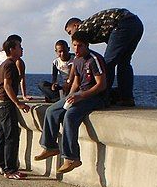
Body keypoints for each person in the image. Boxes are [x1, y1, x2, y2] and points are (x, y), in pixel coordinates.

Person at [34, 31, 107, 177]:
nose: (76, 49)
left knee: (70, 116)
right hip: (80, 94)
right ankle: (50, 146)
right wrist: (69, 97)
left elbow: (101, 85)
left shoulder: (94, 59)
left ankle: (71, 157)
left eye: (80, 46)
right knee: (51, 111)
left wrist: (81, 97)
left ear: (87, 45)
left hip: (95, 97)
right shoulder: (77, 60)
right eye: (74, 45)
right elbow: (76, 82)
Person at [65, 8, 143, 106]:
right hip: (136, 23)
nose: (71, 36)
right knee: (124, 62)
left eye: (70, 32)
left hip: (122, 23)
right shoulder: (94, 26)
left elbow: (82, 55)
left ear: (76, 25)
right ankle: (127, 98)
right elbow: (111, 40)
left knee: (108, 63)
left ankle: (103, 98)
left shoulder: (83, 28)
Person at [0, 38, 31, 179]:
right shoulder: (9, 65)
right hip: (5, 103)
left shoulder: (4, 64)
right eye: (19, 46)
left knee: (2, 135)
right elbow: (7, 86)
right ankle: (11, 169)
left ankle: (3, 165)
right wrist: (18, 103)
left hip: (0, 103)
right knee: (11, 136)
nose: (22, 49)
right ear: (12, 49)